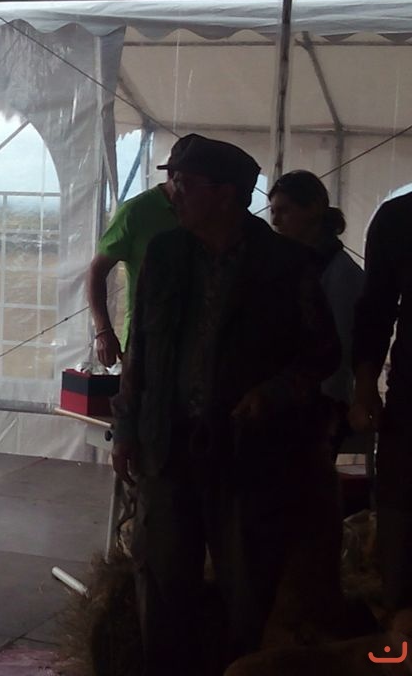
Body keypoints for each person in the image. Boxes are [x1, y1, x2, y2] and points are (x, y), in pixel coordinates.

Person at [111, 135, 342, 674]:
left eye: (184, 184)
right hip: (168, 450)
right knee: (161, 586)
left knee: (248, 588)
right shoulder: (165, 255)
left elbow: (323, 353)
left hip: (248, 458)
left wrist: (272, 394)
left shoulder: (286, 264)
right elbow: (139, 350)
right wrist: (125, 429)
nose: (173, 194)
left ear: (226, 194)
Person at [269, 170, 365, 457]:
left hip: (319, 406)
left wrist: (330, 409)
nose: (275, 221)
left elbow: (340, 350)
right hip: (289, 400)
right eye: (273, 211)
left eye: (284, 211)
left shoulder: (341, 274)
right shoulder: (299, 266)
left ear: (313, 209)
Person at [350, 192, 412, 621]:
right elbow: (374, 308)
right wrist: (364, 385)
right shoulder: (399, 219)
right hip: (410, 404)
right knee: (401, 524)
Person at [86, 135, 194, 366]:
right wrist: (103, 331)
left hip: (195, 343)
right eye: (188, 182)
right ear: (171, 175)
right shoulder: (136, 212)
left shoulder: (207, 213)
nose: (192, 192)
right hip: (145, 341)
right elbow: (97, 271)